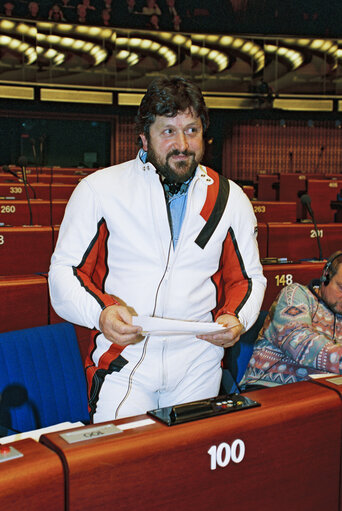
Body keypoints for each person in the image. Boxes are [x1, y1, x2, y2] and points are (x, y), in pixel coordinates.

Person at [48, 76, 266, 422]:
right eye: (168, 131)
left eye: (192, 130)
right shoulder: (100, 190)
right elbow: (64, 274)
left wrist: (236, 317)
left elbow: (249, 278)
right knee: (122, 465)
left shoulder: (231, 198)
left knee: (191, 467)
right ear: (144, 137)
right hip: (126, 360)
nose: (182, 144)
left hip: (200, 360)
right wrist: (101, 315)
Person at [241, 251, 342, 389]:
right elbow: (299, 342)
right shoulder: (295, 294)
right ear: (326, 277)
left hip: (322, 392)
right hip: (272, 386)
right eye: (341, 287)